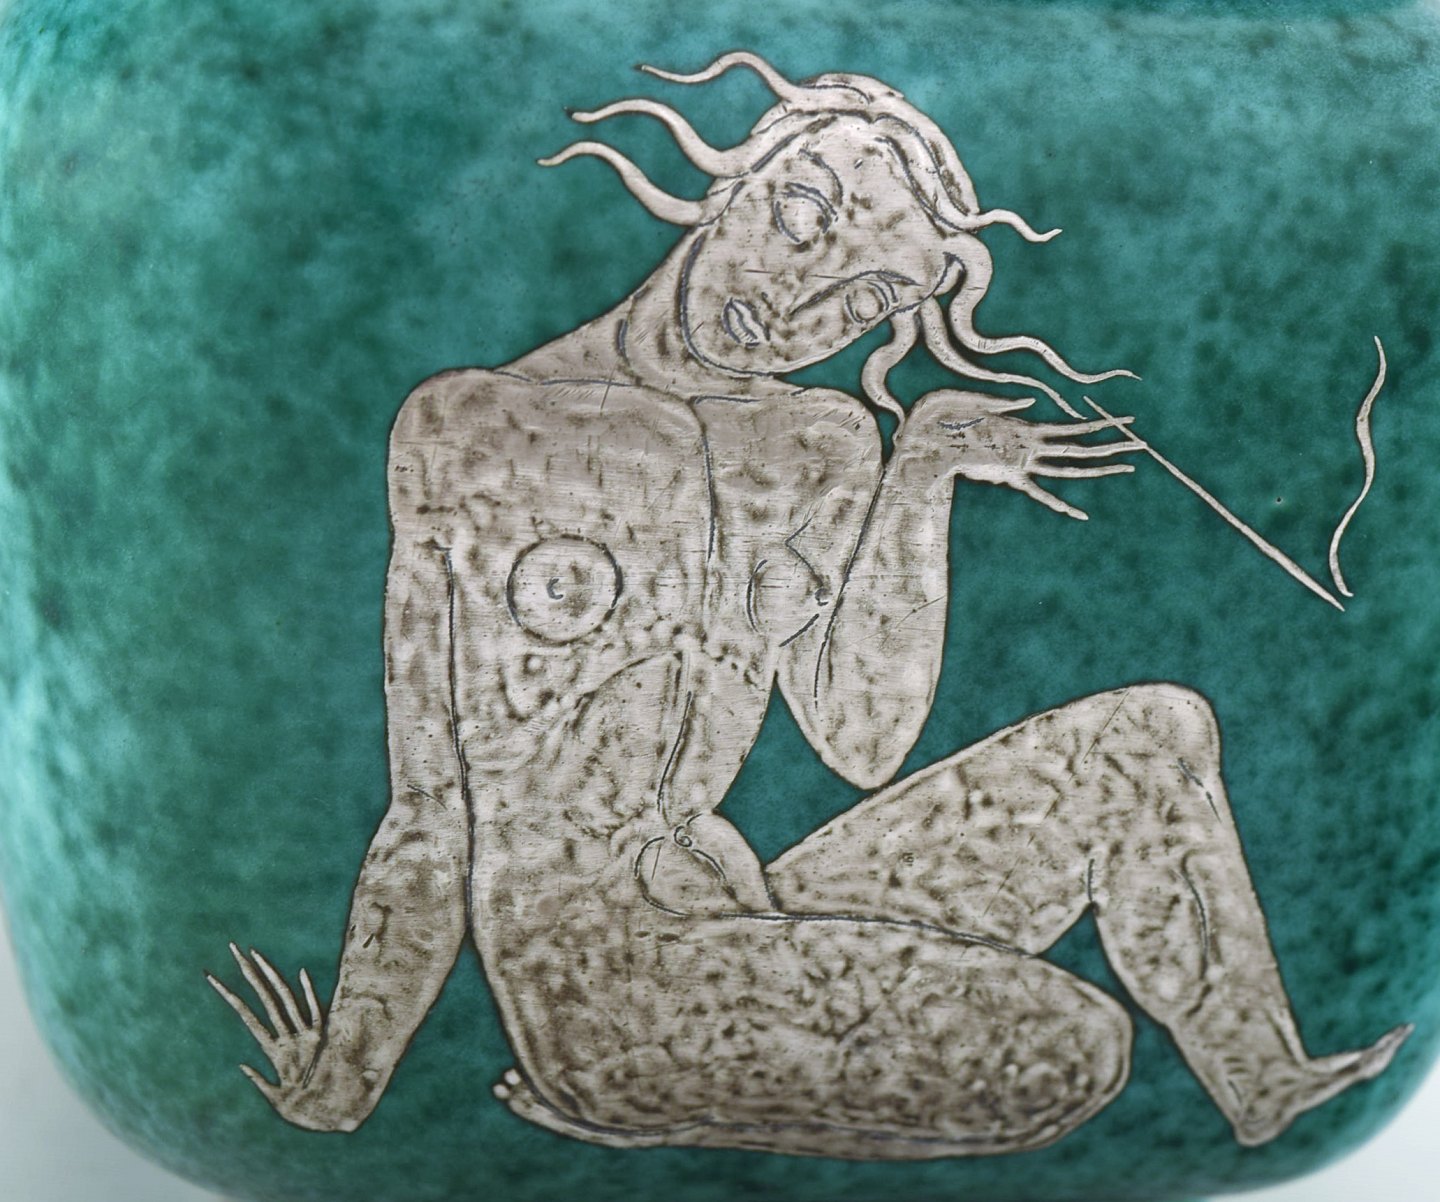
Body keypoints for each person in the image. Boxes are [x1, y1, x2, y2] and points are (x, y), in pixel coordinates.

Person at [209, 52, 1409, 1159]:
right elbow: (430, 804)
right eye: (801, 217)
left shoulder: (816, 443)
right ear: (732, 183)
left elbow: (860, 739)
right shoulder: (474, 430)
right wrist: (346, 1078)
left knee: (1152, 737)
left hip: (745, 911)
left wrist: (922, 475)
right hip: (601, 989)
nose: (799, 304)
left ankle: (1263, 1081)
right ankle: (627, 1100)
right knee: (1077, 1047)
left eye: (864, 297)